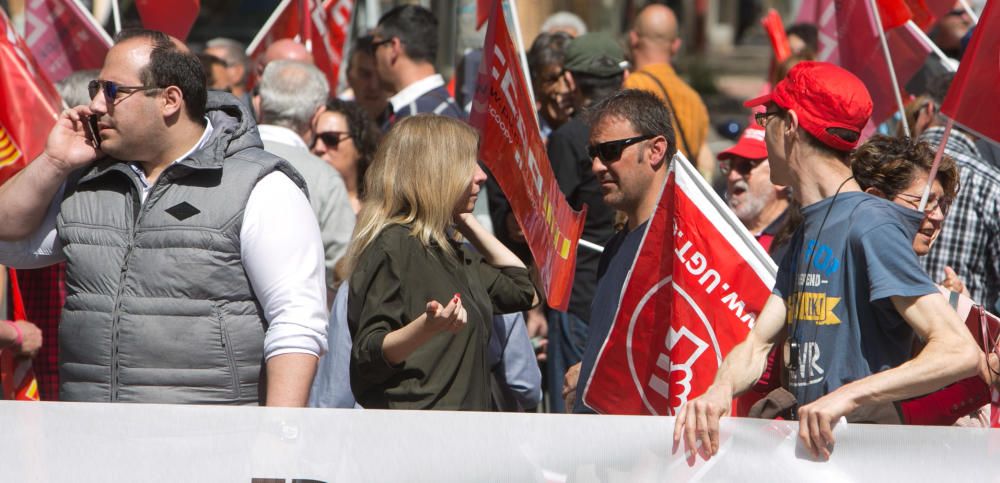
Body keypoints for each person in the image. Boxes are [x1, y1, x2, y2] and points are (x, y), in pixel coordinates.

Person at [0, 29, 327, 405]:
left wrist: (278, 438)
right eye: (95, 88)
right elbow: (9, 242)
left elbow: (297, 321)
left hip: (211, 446)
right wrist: (55, 162)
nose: (94, 106)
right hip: (94, 443)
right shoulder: (86, 179)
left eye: (112, 91)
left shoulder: (260, 185)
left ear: (170, 100)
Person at [673, 62, 981, 460]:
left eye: (766, 117)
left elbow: (959, 350)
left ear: (791, 125)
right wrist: (718, 389)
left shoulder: (870, 223)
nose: (763, 131)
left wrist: (846, 397)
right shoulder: (809, 226)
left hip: (864, 459)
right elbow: (757, 344)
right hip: (817, 457)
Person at [346, 115, 537, 410]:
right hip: (419, 438)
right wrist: (427, 327)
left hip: (461, 437)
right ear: (435, 173)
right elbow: (367, 353)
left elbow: (523, 290)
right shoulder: (394, 244)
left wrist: (464, 219)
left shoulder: (447, 249)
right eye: (467, 164)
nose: (481, 175)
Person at [561, 89, 677, 413]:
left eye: (611, 151)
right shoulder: (616, 246)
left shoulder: (679, 252)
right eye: (593, 153)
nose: (597, 166)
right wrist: (588, 373)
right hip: (603, 451)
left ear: (655, 151)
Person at [544, 32, 623, 414]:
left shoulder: (570, 136)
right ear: (622, 79)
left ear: (571, 81)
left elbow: (549, 216)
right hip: (623, 292)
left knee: (571, 408)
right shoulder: (638, 133)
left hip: (577, 294)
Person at [255, 60, 356, 295]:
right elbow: (343, 268)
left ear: (259, 105)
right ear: (317, 116)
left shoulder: (216, 158)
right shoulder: (324, 178)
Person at [914, 73, 1000, 312]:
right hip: (966, 338)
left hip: (891, 338)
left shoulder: (894, 170)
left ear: (929, 110)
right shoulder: (993, 185)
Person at [624, 3, 714, 181]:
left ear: (633, 38)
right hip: (677, 199)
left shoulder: (627, 89)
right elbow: (706, 164)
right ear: (676, 46)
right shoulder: (694, 99)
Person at [370, 5, 464, 130]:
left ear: (393, 47)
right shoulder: (435, 109)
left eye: (374, 47)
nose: (373, 58)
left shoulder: (419, 119)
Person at [719, 125, 789, 259]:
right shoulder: (720, 232)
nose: (732, 176)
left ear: (781, 177)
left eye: (745, 166)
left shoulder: (800, 239)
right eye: (729, 166)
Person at [311, 98, 379, 215]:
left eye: (330, 138)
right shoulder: (306, 203)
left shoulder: (382, 206)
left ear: (359, 145)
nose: (318, 147)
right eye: (313, 140)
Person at [527, 31, 574, 142]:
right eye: (551, 80)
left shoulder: (591, 133)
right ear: (534, 83)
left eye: (568, 80)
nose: (562, 89)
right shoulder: (525, 137)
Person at [344, 35, 391, 124]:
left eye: (380, 75)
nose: (374, 86)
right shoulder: (336, 126)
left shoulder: (403, 126)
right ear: (349, 76)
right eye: (365, 75)